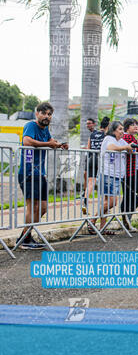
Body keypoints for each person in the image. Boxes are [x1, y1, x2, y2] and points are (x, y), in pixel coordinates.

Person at [16, 102, 68, 249]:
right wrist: (48, 145)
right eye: (44, 113)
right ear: (37, 113)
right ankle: (25, 239)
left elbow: (50, 142)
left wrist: (60, 145)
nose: (46, 116)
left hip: (40, 173)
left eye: (49, 114)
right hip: (28, 172)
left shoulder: (45, 130)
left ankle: (25, 236)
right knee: (32, 207)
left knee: (43, 208)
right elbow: (27, 141)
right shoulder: (31, 126)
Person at [89, 121, 133, 235]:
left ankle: (102, 228)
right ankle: (92, 220)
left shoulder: (122, 141)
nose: (122, 131)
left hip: (117, 175)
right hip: (108, 173)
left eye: (123, 129)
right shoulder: (109, 138)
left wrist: (130, 147)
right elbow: (110, 147)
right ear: (113, 130)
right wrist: (125, 147)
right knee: (112, 202)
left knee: (107, 202)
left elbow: (129, 149)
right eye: (119, 129)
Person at [82, 117, 109, 214]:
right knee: (104, 181)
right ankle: (105, 203)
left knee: (90, 183)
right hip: (101, 159)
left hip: (91, 158)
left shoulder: (92, 134)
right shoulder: (106, 135)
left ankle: (84, 202)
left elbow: (88, 148)